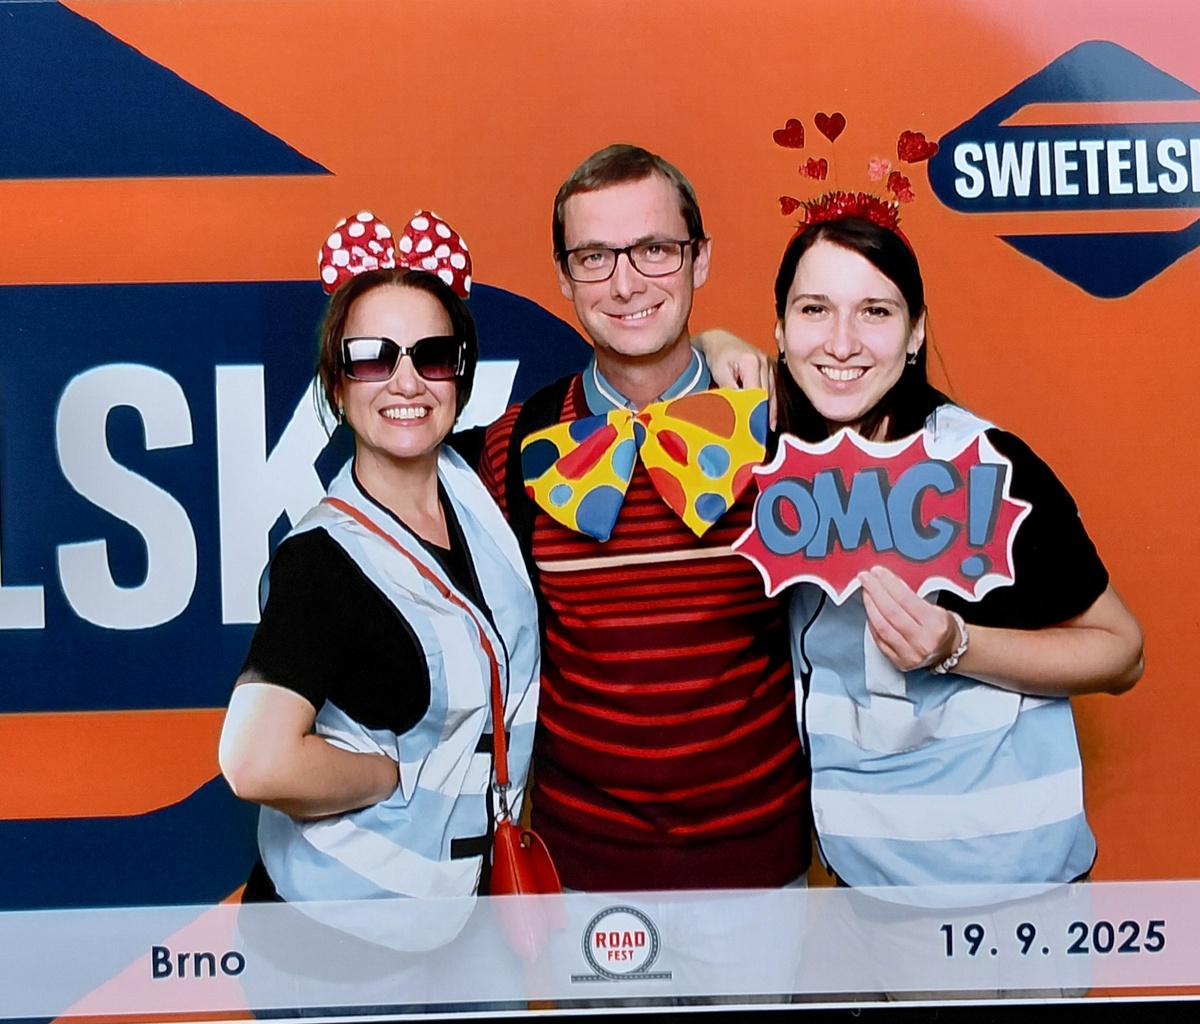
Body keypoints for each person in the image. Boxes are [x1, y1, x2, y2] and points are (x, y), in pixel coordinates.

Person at [767, 206, 1144, 889]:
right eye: (814, 309)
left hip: (1011, 884)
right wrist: (717, 346)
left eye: (876, 312)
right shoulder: (773, 463)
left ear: (915, 331)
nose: (841, 343)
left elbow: (1123, 654)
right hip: (860, 882)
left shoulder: (985, 467)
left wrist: (955, 645)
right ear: (781, 330)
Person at [479, 144, 811, 892]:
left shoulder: (783, 428)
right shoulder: (511, 448)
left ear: (700, 259)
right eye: (595, 257)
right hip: (578, 872)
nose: (626, 283)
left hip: (760, 868)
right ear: (563, 276)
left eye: (655, 249)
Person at [219, 211, 540, 931]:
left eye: (433, 355)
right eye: (371, 357)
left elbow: (623, 402)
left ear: (460, 375)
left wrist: (715, 347)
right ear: (337, 385)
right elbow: (254, 761)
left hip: (455, 923)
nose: (406, 382)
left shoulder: (485, 479)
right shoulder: (322, 561)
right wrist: (386, 776)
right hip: (332, 935)